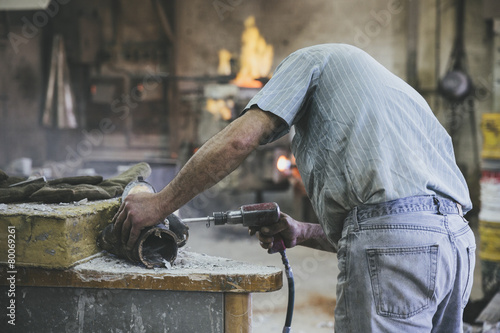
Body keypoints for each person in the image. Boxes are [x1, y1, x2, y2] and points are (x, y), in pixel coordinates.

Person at [113, 43, 476, 332]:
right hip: (458, 243)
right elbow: (401, 220)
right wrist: (302, 232)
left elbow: (239, 142)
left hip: (403, 246)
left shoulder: (304, 62)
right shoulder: (393, 93)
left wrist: (159, 205)